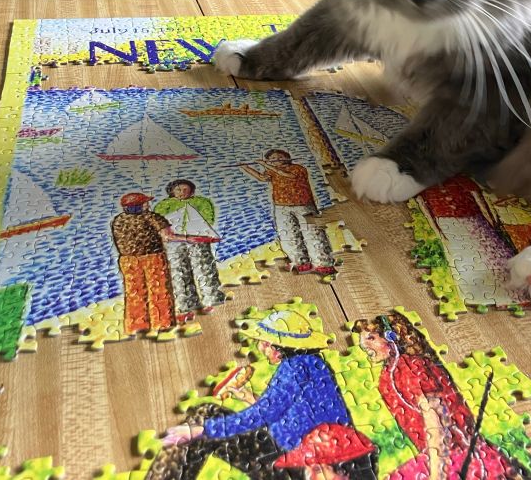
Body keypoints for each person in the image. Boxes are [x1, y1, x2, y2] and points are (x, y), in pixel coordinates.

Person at [153, 309, 377, 480]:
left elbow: (265, 414)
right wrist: (251, 399)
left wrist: (202, 430)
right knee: (208, 417)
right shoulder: (314, 364)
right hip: (313, 458)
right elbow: (298, 415)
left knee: (204, 417)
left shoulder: (295, 367)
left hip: (308, 467)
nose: (261, 347)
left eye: (266, 342)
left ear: (281, 344)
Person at [352, 312, 527, 479]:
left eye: (371, 338)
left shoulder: (409, 368)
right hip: (443, 455)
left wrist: (437, 474)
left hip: (453, 456)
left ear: (392, 337)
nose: (363, 344)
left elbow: (436, 425)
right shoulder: (390, 373)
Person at [240, 150, 336, 275]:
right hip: (281, 207)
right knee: (289, 235)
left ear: (288, 158)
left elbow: (286, 175)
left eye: (280, 157)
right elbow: (262, 177)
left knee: (313, 233)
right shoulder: (272, 170)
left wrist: (265, 164)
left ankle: (323, 263)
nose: (277, 159)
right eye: (273, 158)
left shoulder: (297, 168)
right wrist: (246, 168)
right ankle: (301, 262)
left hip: (303, 205)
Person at [153, 179, 225, 319]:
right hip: (174, 242)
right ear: (171, 191)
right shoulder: (164, 205)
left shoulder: (202, 202)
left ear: (192, 191)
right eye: (179, 189)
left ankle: (211, 298)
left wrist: (197, 232)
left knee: (204, 268)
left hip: (198, 240)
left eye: (186, 190)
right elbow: (159, 224)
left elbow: (208, 219)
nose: (182, 192)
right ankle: (185, 304)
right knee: (178, 272)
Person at [110, 192, 175, 335]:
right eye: (146, 202)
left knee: (134, 292)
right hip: (153, 257)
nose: (148, 204)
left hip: (128, 260)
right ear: (139, 205)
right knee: (159, 290)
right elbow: (168, 236)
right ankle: (162, 323)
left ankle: (136, 325)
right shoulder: (152, 217)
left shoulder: (118, 220)